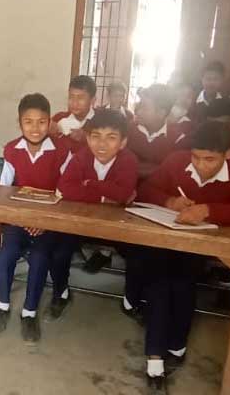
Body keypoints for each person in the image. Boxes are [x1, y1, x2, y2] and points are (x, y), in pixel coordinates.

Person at [134, 121, 230, 391]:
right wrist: (169, 201)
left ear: (228, 154)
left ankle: (176, 345)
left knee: (183, 282)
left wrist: (207, 210)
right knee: (159, 282)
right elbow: (146, 190)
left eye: (209, 159)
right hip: (166, 240)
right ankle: (155, 356)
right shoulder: (176, 161)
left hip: (200, 246)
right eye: (195, 157)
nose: (200, 165)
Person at [0, 93, 70, 345]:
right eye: (28, 121)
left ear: (50, 122)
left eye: (42, 122)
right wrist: (22, 219)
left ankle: (29, 313)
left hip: (50, 222)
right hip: (19, 220)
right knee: (6, 254)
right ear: (19, 123)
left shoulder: (61, 151)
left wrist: (43, 222)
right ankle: (2, 307)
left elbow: (67, 192)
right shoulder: (12, 150)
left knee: (40, 257)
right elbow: (4, 190)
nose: (35, 128)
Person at [50, 110, 139, 320]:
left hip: (117, 225)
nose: (102, 144)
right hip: (81, 223)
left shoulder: (128, 160)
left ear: (123, 142)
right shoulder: (82, 157)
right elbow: (64, 188)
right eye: (96, 136)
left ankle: (131, 301)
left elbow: (123, 193)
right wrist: (104, 197)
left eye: (111, 138)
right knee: (59, 251)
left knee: (140, 255)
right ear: (88, 138)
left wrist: (90, 183)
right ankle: (60, 292)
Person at [127, 84, 187, 178]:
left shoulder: (177, 139)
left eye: (144, 108)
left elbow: (173, 173)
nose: (138, 112)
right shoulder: (128, 130)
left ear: (161, 113)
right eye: (139, 106)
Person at [50, 75, 97, 152]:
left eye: (80, 98)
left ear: (93, 100)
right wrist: (47, 132)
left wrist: (87, 138)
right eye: (71, 97)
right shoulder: (59, 118)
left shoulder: (101, 121)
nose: (74, 103)